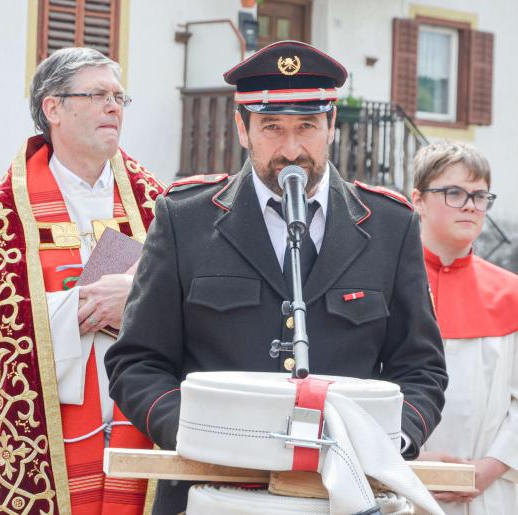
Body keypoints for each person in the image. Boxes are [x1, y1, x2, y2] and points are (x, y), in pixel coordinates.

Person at [106, 40, 447, 515]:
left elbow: (421, 369)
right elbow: (137, 363)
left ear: (331, 127)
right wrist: (204, 436)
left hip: (345, 495)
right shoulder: (185, 219)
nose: (291, 150)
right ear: (242, 129)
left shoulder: (391, 225)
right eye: (272, 127)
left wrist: (389, 442)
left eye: (307, 126)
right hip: (210, 491)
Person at [0, 47, 166, 515]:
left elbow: (197, 297)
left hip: (140, 422)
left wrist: (135, 300)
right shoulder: (6, 217)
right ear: (52, 108)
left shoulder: (155, 202)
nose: (113, 106)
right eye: (97, 95)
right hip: (46, 430)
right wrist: (81, 309)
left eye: (119, 97)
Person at [409, 140, 518, 515]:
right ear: (418, 200)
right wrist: (407, 458)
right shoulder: (385, 288)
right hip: (400, 479)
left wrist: (489, 469)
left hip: (485, 492)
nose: (471, 205)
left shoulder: (513, 299)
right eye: (453, 192)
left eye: (480, 195)